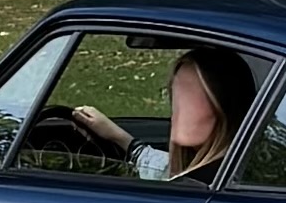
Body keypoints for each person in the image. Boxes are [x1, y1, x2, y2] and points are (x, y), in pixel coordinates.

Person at [72, 47, 257, 186]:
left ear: (223, 107)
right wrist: (119, 138)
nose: (179, 109)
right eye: (176, 95)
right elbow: (163, 167)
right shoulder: (234, 165)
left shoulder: (199, 184)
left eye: (194, 98)